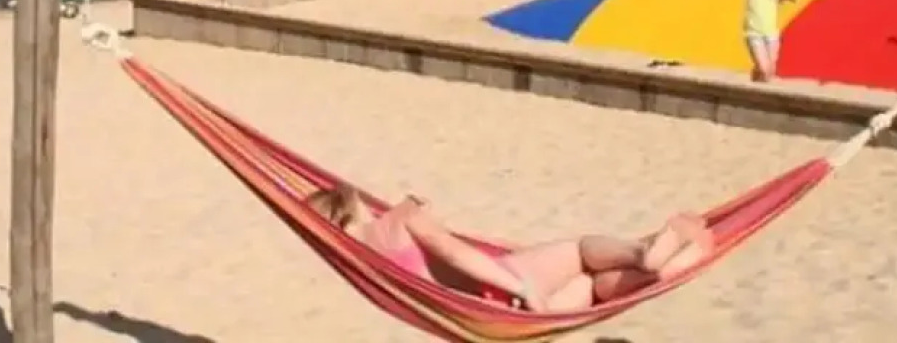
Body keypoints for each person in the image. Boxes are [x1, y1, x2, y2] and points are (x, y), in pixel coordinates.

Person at [304, 183, 713, 313]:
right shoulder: (399, 217)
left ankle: (684, 257)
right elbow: (455, 253)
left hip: (481, 318)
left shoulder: (359, 261)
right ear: (349, 201)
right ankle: (646, 255)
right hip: (503, 285)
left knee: (595, 290)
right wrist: (522, 289)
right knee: (580, 251)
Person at [741, 0, 794, 82]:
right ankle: (758, 76)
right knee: (765, 69)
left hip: (771, 36)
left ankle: (758, 80)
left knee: (770, 70)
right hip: (754, 34)